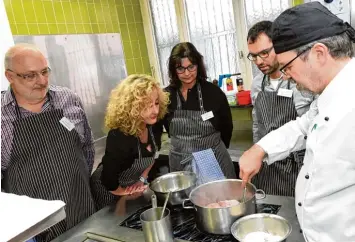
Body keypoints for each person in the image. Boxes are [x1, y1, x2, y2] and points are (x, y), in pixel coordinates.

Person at [239, 2, 355, 242]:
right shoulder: (330, 94)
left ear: (319, 53)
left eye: (288, 66)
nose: (288, 77)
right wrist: (260, 149)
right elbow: (303, 125)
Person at [1, 44, 96, 242]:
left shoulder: (68, 99)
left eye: (45, 72)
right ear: (10, 76)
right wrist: (8, 233)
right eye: (30, 75)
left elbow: (87, 147)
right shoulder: (1, 118)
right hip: (33, 230)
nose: (42, 81)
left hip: (81, 210)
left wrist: (77, 183)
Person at [247, 21, 314, 196]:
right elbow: (257, 123)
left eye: (264, 53)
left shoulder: (298, 80)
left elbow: (309, 127)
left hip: (294, 165)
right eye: (253, 56)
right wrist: (256, 150)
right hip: (267, 164)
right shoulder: (257, 84)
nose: (259, 61)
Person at [157, 42, 236, 180]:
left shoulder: (213, 93)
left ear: (198, 66)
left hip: (213, 160)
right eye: (180, 68)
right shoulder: (165, 96)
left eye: (191, 67)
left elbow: (226, 126)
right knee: (184, 201)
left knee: (219, 200)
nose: (187, 73)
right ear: (173, 69)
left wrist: (210, 147)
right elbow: (158, 127)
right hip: (180, 163)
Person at [90, 74, 169, 210]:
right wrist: (123, 192)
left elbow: (154, 156)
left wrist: (142, 179)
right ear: (132, 107)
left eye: (156, 103)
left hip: (132, 183)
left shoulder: (153, 125)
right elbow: (108, 179)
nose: (155, 110)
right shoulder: (119, 136)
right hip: (108, 188)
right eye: (147, 105)